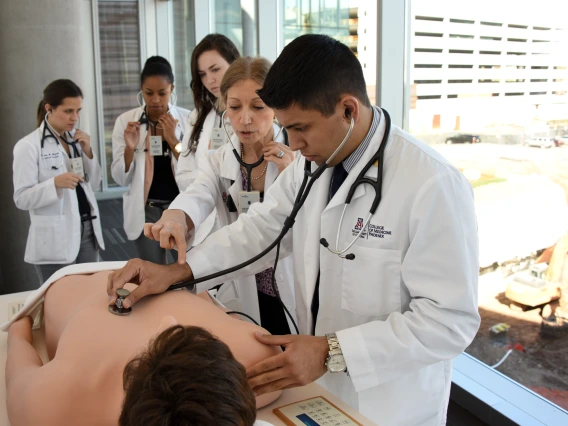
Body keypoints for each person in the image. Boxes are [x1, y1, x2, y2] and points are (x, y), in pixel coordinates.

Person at [107, 34, 480, 425]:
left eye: (301, 128)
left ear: (348, 109)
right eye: (287, 128)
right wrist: (179, 272)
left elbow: (449, 321)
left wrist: (332, 350)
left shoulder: (431, 185)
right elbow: (261, 230)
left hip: (393, 404)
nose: (294, 144)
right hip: (321, 390)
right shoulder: (312, 163)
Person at [6, 270, 281, 426]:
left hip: (74, 283)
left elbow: (19, 337)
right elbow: (229, 314)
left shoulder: (47, 407)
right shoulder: (263, 365)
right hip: (164, 278)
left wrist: (24, 318)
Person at [147, 56, 296, 334]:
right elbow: (198, 193)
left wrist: (291, 174)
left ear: (275, 107)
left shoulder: (299, 159)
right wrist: (176, 217)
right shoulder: (219, 161)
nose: (245, 119)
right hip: (243, 281)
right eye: (235, 107)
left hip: (290, 284)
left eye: (258, 106)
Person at [13, 79, 104, 284]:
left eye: (78, 111)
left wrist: (88, 151)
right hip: (55, 237)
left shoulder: (76, 140)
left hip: (87, 229)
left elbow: (94, 183)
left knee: (88, 294)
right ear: (49, 108)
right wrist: (54, 183)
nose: (75, 118)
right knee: (58, 300)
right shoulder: (28, 146)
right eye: (68, 111)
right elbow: (21, 199)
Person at [111, 56, 190, 264]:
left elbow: (193, 172)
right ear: (141, 90)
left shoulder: (187, 120)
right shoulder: (125, 122)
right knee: (151, 274)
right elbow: (120, 178)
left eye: (162, 93)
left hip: (179, 209)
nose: (155, 100)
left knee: (185, 271)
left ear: (172, 89)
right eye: (149, 93)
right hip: (146, 212)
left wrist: (174, 141)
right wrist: (129, 148)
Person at [176, 33, 240, 191]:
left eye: (215, 69)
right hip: (205, 212)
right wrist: (214, 171)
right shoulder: (198, 116)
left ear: (234, 64)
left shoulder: (256, 114)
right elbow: (182, 178)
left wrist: (204, 175)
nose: (209, 80)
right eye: (202, 74)